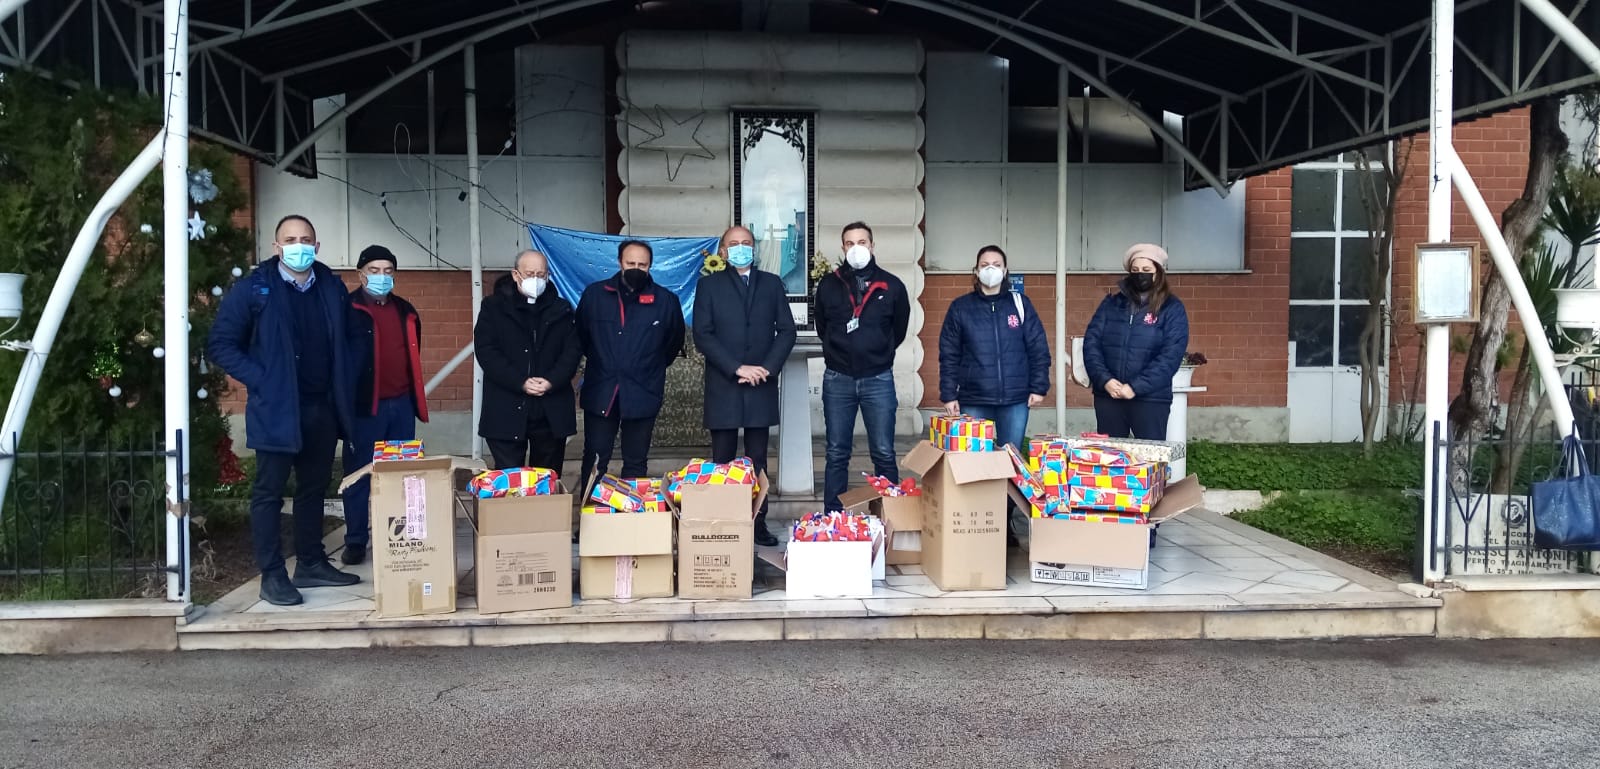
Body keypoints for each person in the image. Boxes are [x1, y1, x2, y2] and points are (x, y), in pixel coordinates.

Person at [207, 214, 359, 606]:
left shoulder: (330, 286)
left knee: (313, 488)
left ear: (317, 246)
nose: (298, 246)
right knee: (269, 493)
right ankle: (272, 575)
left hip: (321, 407)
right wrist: (263, 379)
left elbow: (347, 339)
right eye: (290, 240)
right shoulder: (254, 289)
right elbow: (221, 344)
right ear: (276, 247)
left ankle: (310, 563)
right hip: (276, 408)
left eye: (305, 239)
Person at [692, 226, 797, 547]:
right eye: (734, 244)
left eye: (746, 243)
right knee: (722, 460)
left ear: (755, 248)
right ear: (723, 251)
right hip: (725, 383)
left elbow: (787, 330)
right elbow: (703, 334)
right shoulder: (708, 285)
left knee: (757, 460)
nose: (741, 248)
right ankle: (724, 522)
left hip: (760, 383)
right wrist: (737, 367)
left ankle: (758, 522)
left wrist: (767, 368)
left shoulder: (771, 283)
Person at [339, 245, 430, 566]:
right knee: (358, 474)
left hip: (401, 405)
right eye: (374, 271)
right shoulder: (347, 309)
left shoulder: (406, 310)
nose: (381, 276)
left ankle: (400, 536)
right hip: (365, 407)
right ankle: (355, 540)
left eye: (388, 271)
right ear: (360, 274)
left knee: (403, 474)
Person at [575, 239, 685, 494]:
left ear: (650, 266)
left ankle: (630, 515)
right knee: (595, 459)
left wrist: (646, 366)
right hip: (602, 389)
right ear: (619, 262)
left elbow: (672, 344)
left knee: (636, 461)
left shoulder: (665, 301)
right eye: (631, 263)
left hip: (643, 390)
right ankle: (590, 514)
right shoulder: (595, 295)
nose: (636, 268)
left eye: (642, 265)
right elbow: (581, 336)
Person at [814, 221, 910, 512]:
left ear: (872, 245)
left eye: (862, 242)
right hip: (838, 378)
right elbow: (822, 327)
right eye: (850, 243)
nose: (856, 248)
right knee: (836, 453)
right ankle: (834, 517)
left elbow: (899, 329)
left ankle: (888, 517)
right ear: (843, 248)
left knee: (883, 452)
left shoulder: (892, 285)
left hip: (878, 378)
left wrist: (878, 351)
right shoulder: (828, 285)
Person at [475, 250, 582, 475]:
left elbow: (572, 352)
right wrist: (520, 381)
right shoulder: (493, 307)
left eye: (541, 275)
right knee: (509, 480)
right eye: (530, 274)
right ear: (516, 275)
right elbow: (487, 352)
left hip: (550, 409)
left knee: (547, 479)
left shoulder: (562, 309)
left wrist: (552, 380)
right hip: (506, 406)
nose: (536, 279)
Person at [938, 244, 1051, 451]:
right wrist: (949, 394)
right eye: (985, 265)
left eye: (996, 265)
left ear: (1005, 270)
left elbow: (1038, 348)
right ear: (976, 271)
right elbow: (949, 355)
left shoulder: (1020, 304)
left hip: (1015, 399)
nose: (991, 269)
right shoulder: (960, 308)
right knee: (974, 461)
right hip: (974, 399)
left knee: (1011, 457)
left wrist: (1039, 387)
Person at [1082, 243, 1190, 440]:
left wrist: (1135, 387)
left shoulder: (1171, 308)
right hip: (1109, 397)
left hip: (1151, 399)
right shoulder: (1111, 304)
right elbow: (1091, 344)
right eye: (1135, 270)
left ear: (1158, 273)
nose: (1140, 275)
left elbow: (1171, 355)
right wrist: (1105, 380)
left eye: (1146, 270)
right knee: (1111, 455)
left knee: (1150, 456)